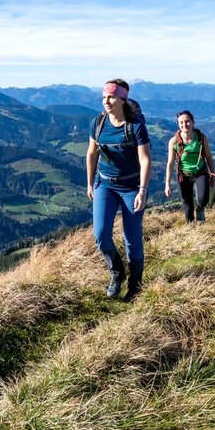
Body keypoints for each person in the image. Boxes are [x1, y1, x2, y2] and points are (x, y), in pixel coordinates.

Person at [86, 79, 152, 300]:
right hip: (104, 184)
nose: (106, 101)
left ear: (122, 100)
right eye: (104, 97)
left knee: (131, 238)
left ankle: (135, 285)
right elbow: (92, 153)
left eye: (111, 97)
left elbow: (145, 160)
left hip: (131, 186)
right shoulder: (97, 124)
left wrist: (142, 190)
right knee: (101, 234)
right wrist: (89, 183)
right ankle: (117, 272)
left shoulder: (135, 126)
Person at [165, 110, 215, 223]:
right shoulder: (174, 142)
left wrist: (213, 175)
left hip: (200, 173)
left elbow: (208, 157)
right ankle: (191, 229)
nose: (184, 125)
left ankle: (200, 210)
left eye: (187, 121)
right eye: (181, 122)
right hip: (184, 176)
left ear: (193, 122)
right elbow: (170, 163)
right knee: (187, 204)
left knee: (203, 200)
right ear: (178, 124)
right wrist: (167, 184)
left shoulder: (201, 138)